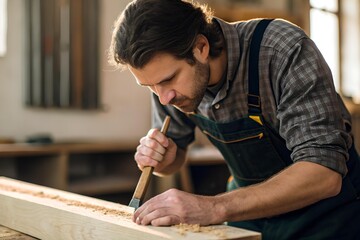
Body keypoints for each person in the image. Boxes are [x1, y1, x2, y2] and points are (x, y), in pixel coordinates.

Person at [108, 0, 360, 239]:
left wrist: (214, 207)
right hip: (248, 218)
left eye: (167, 80)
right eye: (150, 86)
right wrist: (164, 158)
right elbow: (174, 157)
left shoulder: (282, 50)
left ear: (201, 48)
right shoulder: (167, 87)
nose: (163, 98)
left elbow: (324, 175)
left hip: (326, 219)